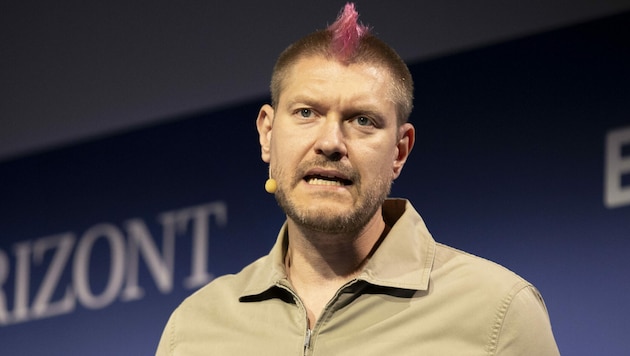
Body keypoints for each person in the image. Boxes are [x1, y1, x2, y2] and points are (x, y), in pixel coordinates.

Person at [156, 3, 559, 355]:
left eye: (362, 120)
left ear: (400, 151)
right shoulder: (194, 328)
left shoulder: (497, 312)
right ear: (267, 133)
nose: (330, 143)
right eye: (306, 113)